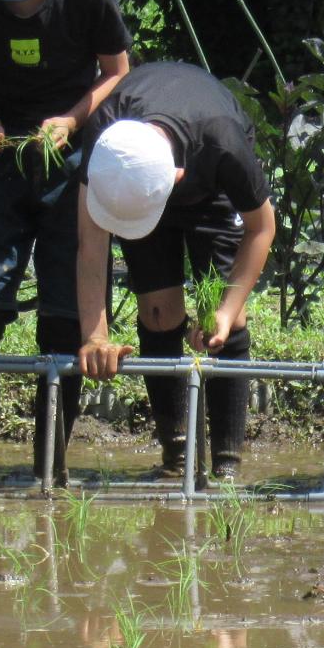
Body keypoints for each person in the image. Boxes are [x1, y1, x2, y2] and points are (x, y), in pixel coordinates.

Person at [0, 0, 130, 482]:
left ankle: (51, 470)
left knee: (63, 320)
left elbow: (116, 74)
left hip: (69, 158)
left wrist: (70, 119)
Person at [75, 61, 277, 483]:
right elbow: (91, 243)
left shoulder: (223, 142)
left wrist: (227, 310)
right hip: (135, 188)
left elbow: (262, 228)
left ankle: (226, 463)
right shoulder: (108, 138)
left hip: (214, 189)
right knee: (158, 313)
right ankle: (176, 456)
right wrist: (95, 335)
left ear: (177, 177)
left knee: (223, 317)